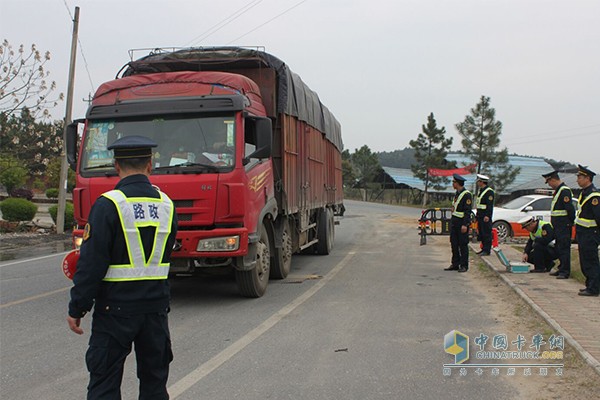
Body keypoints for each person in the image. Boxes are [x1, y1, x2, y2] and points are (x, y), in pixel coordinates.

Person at [67, 135, 178, 399]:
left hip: (115, 310)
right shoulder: (167, 205)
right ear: (150, 165)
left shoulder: (109, 204)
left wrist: (78, 307)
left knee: (104, 383)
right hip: (155, 310)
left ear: (116, 166)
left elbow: (91, 264)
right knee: (154, 383)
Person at [542, 170, 575, 279]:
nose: (550, 185)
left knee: (564, 248)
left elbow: (569, 209)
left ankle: (565, 271)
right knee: (559, 247)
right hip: (558, 225)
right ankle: (561, 268)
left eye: (549, 182)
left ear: (553, 179)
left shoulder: (564, 191)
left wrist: (569, 222)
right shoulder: (559, 190)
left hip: (563, 225)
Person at [574, 164, 600, 297]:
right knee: (585, 260)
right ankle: (589, 284)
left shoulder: (594, 196)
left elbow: (598, 217)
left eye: (580, 177)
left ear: (587, 178)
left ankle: (594, 288)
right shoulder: (584, 193)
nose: (577, 179)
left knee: (591, 260)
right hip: (583, 233)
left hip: (591, 233)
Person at [445, 174, 472, 272]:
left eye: (454, 182)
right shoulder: (457, 193)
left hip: (461, 223)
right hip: (455, 222)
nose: (453, 184)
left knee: (463, 244)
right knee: (454, 243)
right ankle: (455, 263)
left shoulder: (467, 194)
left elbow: (467, 211)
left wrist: (465, 224)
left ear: (458, 183)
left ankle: (464, 265)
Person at [475, 174, 495, 256]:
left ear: (482, 182)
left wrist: (487, 215)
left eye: (478, 181)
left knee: (486, 233)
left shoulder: (489, 192)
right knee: (482, 233)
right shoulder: (481, 191)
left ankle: (487, 250)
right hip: (480, 215)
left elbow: (489, 205)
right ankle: (483, 248)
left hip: (485, 216)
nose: (477, 183)